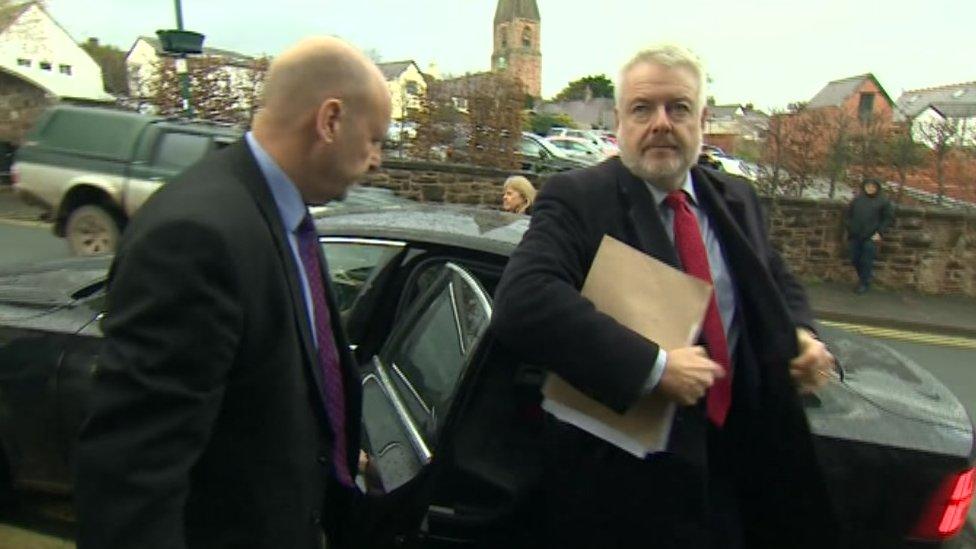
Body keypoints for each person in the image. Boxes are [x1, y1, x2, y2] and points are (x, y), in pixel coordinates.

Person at [492, 43, 839, 548]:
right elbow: (524, 302)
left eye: (678, 108)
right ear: (619, 122)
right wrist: (654, 368)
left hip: (736, 472)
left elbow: (775, 280)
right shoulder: (579, 197)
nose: (661, 123)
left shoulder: (735, 199)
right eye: (642, 109)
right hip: (628, 493)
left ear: (701, 119)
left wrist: (804, 335)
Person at [74, 37, 391, 549]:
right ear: (330, 121)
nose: (377, 160)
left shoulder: (277, 215)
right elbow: (133, 473)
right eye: (375, 139)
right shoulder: (198, 236)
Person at [845, 178, 894, 294]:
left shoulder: (883, 202)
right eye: (868, 186)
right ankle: (866, 277)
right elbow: (847, 215)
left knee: (866, 260)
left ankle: (864, 283)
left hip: (871, 236)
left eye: (873, 187)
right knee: (854, 258)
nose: (870, 188)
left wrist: (879, 232)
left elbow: (888, 218)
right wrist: (850, 227)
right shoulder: (857, 200)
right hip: (855, 235)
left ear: (877, 188)